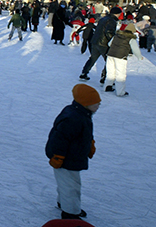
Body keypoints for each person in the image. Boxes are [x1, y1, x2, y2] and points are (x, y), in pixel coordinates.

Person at [46, 84, 101, 220]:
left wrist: (90, 144)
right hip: (65, 159)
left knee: (66, 184)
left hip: (72, 156)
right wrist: (58, 157)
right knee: (71, 187)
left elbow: (84, 133)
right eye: (96, 104)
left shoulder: (82, 113)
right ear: (86, 104)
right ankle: (70, 213)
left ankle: (64, 204)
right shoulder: (73, 118)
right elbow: (60, 139)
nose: (98, 106)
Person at [79, 7, 122, 82]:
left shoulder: (103, 18)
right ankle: (104, 77)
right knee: (109, 61)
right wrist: (113, 41)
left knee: (92, 58)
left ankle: (84, 73)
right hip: (104, 44)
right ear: (116, 14)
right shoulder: (112, 21)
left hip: (95, 41)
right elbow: (108, 32)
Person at [104, 23, 143, 97]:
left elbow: (109, 44)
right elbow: (135, 49)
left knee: (110, 72)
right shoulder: (131, 38)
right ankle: (120, 92)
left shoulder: (116, 35)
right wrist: (139, 57)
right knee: (120, 74)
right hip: (120, 57)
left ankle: (107, 87)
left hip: (110, 55)